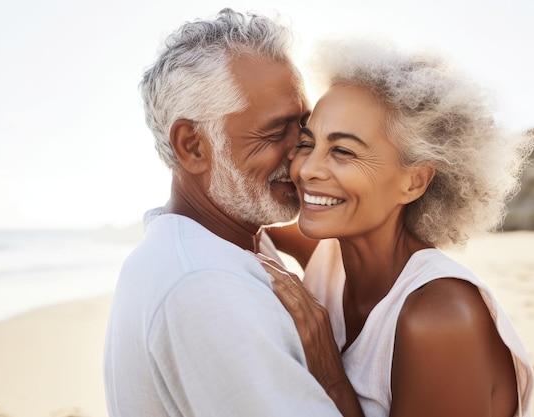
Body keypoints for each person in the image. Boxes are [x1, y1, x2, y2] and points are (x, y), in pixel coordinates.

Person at [103, 9, 364, 417]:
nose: (304, 154)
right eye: (276, 132)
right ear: (193, 146)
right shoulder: (205, 286)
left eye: (304, 124)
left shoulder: (226, 240)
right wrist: (331, 378)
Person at [258, 38, 534, 416]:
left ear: (414, 181)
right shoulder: (329, 253)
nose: (307, 170)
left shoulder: (441, 317)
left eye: (343, 151)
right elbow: (235, 218)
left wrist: (329, 371)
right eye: (308, 143)